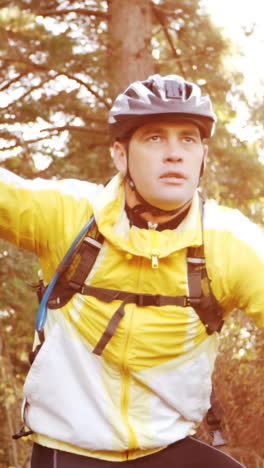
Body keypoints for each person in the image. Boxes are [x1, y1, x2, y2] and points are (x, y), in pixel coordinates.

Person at [0, 74, 263, 468]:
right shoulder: (69, 215)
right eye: (155, 138)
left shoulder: (229, 243)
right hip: (69, 451)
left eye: (188, 140)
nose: (174, 154)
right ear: (121, 155)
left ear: (202, 157)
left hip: (166, 449)